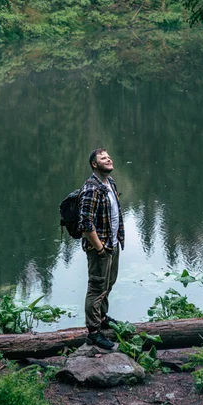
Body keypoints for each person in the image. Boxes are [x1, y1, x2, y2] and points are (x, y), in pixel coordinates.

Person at [78, 148, 125, 350]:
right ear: (94, 165)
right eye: (103, 158)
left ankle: (103, 317)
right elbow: (85, 223)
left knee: (108, 284)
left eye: (109, 157)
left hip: (112, 245)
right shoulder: (91, 189)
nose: (108, 159)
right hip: (101, 248)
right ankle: (93, 333)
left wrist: (114, 244)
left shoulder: (109, 184)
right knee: (96, 288)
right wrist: (99, 249)